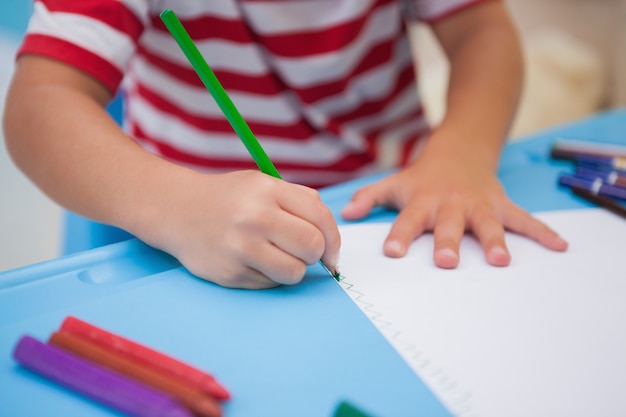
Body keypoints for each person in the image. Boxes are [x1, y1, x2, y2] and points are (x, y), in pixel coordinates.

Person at [3, 0, 568, 289]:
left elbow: (482, 31)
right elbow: (39, 104)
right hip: (196, 230)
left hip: (391, 195)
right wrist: (175, 207)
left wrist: (461, 154)